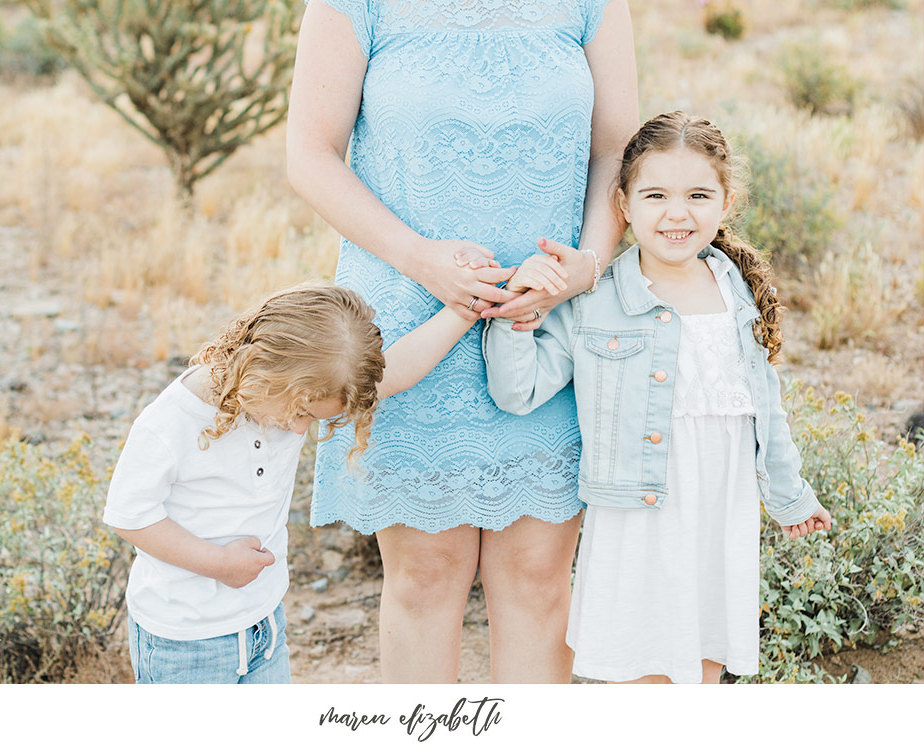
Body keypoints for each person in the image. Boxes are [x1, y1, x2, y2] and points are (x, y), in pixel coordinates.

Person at [287, 0, 639, 683]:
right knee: (424, 579)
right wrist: (422, 260)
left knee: (539, 581)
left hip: (548, 332)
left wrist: (583, 271)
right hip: (411, 323)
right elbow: (309, 154)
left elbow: (616, 149)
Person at [483, 111, 832, 684]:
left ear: (727, 201)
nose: (677, 213)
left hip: (722, 507)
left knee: (706, 657)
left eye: (699, 194)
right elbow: (518, 391)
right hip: (638, 514)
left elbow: (764, 408)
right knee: (644, 665)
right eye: (655, 195)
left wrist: (791, 497)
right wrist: (518, 318)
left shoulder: (734, 289)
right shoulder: (596, 301)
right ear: (624, 206)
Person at [103, 281, 485, 683]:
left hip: (265, 624)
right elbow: (130, 516)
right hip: (184, 641)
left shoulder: (286, 392)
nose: (301, 428)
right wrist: (217, 563)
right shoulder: (172, 422)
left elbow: (398, 371)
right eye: (301, 411)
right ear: (269, 370)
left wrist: (466, 310)